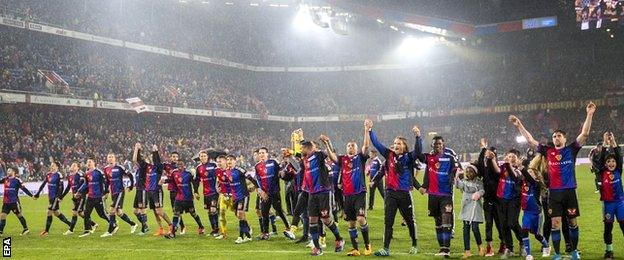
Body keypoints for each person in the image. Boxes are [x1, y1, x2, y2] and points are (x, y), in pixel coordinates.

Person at [510, 101, 595, 260]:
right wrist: (519, 125)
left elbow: (584, 134)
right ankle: (556, 254)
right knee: (555, 223)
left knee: (572, 223)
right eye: (554, 136)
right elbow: (530, 140)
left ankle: (574, 251)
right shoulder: (547, 151)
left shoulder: (572, 149)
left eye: (559, 135)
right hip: (554, 194)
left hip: (569, 192)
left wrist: (589, 114)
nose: (556, 137)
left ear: (564, 138)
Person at [367, 119, 418, 256]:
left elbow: (418, 151)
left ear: (404, 146)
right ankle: (385, 248)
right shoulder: (388, 155)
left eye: (399, 143)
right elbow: (377, 144)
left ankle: (414, 244)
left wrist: (418, 137)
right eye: (395, 143)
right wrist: (370, 130)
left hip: (404, 194)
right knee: (388, 221)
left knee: (409, 221)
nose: (395, 145)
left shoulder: (409, 157)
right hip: (390, 193)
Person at [322, 127, 371, 256]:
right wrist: (327, 143)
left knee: (361, 219)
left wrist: (366, 130)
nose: (350, 147)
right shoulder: (342, 159)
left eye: (353, 146)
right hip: (347, 195)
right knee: (351, 223)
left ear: (356, 148)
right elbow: (332, 157)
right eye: (349, 146)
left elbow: (366, 146)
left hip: (360, 192)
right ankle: (355, 248)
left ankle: (367, 245)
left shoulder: (360, 158)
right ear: (346, 148)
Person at [415, 130, 459, 258]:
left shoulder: (450, 158)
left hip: (446, 195)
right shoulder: (429, 158)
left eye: (439, 144)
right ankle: (442, 248)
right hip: (433, 196)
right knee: (438, 222)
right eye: (435, 144)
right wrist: (418, 137)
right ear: (432, 145)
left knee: (446, 221)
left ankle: (447, 248)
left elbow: (456, 169)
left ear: (443, 144)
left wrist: (455, 176)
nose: (437, 146)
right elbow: (417, 153)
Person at [302, 138, 345, 256]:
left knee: (325, 219)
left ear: (309, 148)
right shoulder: (305, 160)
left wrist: (327, 143)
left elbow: (330, 152)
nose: (301, 149)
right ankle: (317, 247)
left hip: (323, 192)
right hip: (312, 193)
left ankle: (339, 239)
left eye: (303, 148)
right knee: (312, 220)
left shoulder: (319, 155)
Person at [489, 149, 524, 258]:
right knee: (503, 225)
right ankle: (509, 248)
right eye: (509, 156)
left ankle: (523, 243)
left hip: (514, 200)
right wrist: (492, 158)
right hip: (502, 199)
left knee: (512, 223)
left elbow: (514, 176)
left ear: (518, 159)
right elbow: (496, 170)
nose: (511, 158)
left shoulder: (520, 170)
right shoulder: (504, 167)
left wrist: (507, 163)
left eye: (514, 156)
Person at [255, 147, 296, 240]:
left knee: (279, 210)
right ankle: (265, 233)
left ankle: (288, 226)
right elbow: (258, 180)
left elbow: (281, 171)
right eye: (260, 153)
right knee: (264, 212)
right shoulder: (257, 166)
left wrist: (283, 171)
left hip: (274, 192)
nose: (261, 154)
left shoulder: (273, 163)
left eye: (263, 153)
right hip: (265, 193)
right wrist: (261, 191)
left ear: (267, 154)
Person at [134, 143, 172, 236]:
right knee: (155, 212)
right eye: (149, 156)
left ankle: (171, 226)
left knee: (159, 211)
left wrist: (155, 151)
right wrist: (137, 149)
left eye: (152, 156)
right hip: (148, 192)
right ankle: (161, 229)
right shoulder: (145, 167)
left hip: (157, 191)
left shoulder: (158, 167)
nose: (150, 158)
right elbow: (135, 159)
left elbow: (157, 161)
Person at [596, 132, 624, 260]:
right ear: (605, 164)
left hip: (620, 203)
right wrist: (606, 144)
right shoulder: (602, 172)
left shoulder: (619, 170)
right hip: (607, 204)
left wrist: (613, 141)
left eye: (613, 161)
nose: (612, 163)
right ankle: (609, 251)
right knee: (608, 228)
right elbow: (601, 158)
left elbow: (619, 156)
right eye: (609, 161)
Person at [475, 139, 505, 256]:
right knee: (488, 223)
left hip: (498, 200)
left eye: (493, 154)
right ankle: (490, 246)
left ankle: (503, 243)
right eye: (489, 154)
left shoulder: (499, 168)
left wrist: (490, 157)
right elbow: (480, 162)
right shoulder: (485, 168)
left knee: (499, 223)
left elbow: (497, 172)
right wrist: (483, 149)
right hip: (488, 200)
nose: (490, 155)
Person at [164, 161, 205, 238]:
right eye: (178, 164)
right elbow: (171, 180)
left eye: (181, 164)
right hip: (178, 198)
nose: (180, 166)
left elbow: (194, 182)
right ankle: (172, 233)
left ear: (184, 165)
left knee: (193, 213)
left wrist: (196, 191)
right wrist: (164, 181)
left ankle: (201, 226)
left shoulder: (188, 174)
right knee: (176, 214)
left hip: (188, 199)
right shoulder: (174, 173)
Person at [521, 156, 551, 260]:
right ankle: (529, 254)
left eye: (531, 173)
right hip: (526, 212)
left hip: (536, 213)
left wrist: (521, 167)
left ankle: (546, 246)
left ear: (536, 176)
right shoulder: (523, 183)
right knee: (524, 231)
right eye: (528, 172)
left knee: (536, 234)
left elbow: (529, 178)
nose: (529, 174)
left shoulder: (536, 184)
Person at [101, 152, 137, 237]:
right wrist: (106, 192)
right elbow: (107, 182)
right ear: (107, 159)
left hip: (120, 191)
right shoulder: (105, 169)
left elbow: (130, 175)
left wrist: (131, 186)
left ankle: (110, 230)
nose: (110, 158)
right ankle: (133, 224)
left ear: (115, 158)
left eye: (112, 157)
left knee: (111, 210)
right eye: (109, 157)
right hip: (113, 192)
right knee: (119, 212)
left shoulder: (120, 167)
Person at [34, 160, 72, 236]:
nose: (52, 167)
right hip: (50, 197)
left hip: (55, 197)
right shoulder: (48, 174)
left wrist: (59, 197)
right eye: (51, 165)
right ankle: (71, 224)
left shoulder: (59, 175)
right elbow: (43, 184)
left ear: (57, 167)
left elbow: (61, 187)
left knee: (49, 212)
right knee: (56, 213)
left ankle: (46, 231)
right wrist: (37, 193)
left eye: (53, 165)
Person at [455, 164, 485, 259]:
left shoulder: (479, 181)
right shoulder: (464, 181)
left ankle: (480, 247)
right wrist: (457, 176)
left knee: (475, 228)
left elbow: (482, 190)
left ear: (475, 173)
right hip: (466, 206)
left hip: (475, 206)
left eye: (471, 171)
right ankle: (467, 251)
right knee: (466, 228)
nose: (468, 173)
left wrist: (478, 194)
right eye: (467, 171)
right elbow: (457, 185)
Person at [77, 157, 112, 238]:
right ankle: (87, 230)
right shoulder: (87, 173)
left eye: (90, 162)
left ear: (94, 163)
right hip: (90, 196)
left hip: (98, 197)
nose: (88, 163)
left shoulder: (99, 172)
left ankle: (112, 222)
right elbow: (86, 184)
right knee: (86, 213)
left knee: (102, 214)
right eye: (87, 162)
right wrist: (79, 191)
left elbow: (105, 182)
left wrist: (106, 192)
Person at [60, 162, 97, 235]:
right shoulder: (70, 176)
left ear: (78, 168)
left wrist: (81, 194)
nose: (72, 166)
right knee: (80, 213)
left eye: (74, 165)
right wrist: (62, 196)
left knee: (75, 213)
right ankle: (93, 224)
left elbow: (85, 185)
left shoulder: (80, 175)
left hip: (81, 197)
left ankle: (71, 229)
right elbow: (68, 188)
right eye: (72, 165)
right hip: (74, 197)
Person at [227, 155, 254, 244]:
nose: (229, 161)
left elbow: (250, 178)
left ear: (235, 161)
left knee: (240, 214)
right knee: (239, 216)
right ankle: (248, 235)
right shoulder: (227, 172)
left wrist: (257, 187)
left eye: (231, 159)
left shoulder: (240, 170)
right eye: (228, 160)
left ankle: (240, 237)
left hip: (243, 195)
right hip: (235, 197)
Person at [0, 166, 33, 236]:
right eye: (7, 170)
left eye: (9, 170)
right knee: (2, 216)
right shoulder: (5, 179)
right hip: (6, 202)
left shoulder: (17, 180)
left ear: (13, 172)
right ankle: (1, 232)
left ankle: (26, 229)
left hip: (14, 202)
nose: (8, 172)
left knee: (19, 215)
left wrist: (31, 195)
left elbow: (24, 189)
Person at [194, 150, 219, 236]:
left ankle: (216, 229)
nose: (203, 157)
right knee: (209, 211)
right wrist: (196, 191)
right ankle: (214, 229)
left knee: (213, 210)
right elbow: (196, 180)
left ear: (207, 157)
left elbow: (220, 175)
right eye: (201, 156)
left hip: (215, 192)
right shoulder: (198, 168)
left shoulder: (213, 165)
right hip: (206, 193)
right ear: (199, 157)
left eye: (204, 156)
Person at [164, 151, 186, 234]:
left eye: (176, 157)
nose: (174, 158)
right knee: (175, 210)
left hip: (179, 191)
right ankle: (180, 226)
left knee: (179, 210)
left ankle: (178, 227)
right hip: (171, 190)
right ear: (171, 158)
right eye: (173, 156)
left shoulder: (181, 167)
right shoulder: (167, 166)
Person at [215, 155, 235, 240]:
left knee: (238, 214)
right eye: (218, 161)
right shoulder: (217, 170)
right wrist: (217, 188)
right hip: (223, 195)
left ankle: (247, 228)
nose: (219, 163)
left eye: (220, 161)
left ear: (225, 162)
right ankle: (224, 233)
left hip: (232, 196)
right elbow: (218, 180)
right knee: (221, 214)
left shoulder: (230, 171)